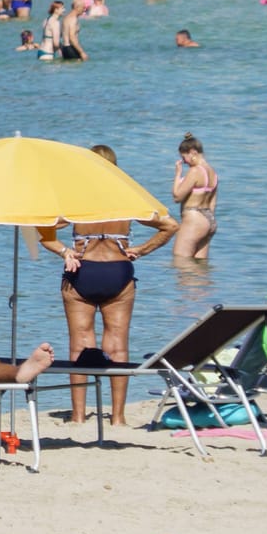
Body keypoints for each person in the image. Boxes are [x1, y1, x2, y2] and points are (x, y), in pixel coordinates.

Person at [38, 146, 179, 424]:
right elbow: (171, 226)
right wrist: (142, 249)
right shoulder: (127, 198)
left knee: (79, 346)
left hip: (83, 272)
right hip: (119, 273)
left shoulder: (77, 201)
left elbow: (42, 229)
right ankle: (118, 418)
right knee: (118, 347)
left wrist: (65, 251)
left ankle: (78, 416)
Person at [171, 133, 218, 259]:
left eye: (184, 157)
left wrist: (178, 174)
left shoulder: (195, 171)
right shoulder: (213, 172)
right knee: (201, 269)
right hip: (209, 221)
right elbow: (213, 202)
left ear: (193, 152)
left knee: (181, 262)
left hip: (194, 219)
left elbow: (177, 197)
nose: (184, 162)